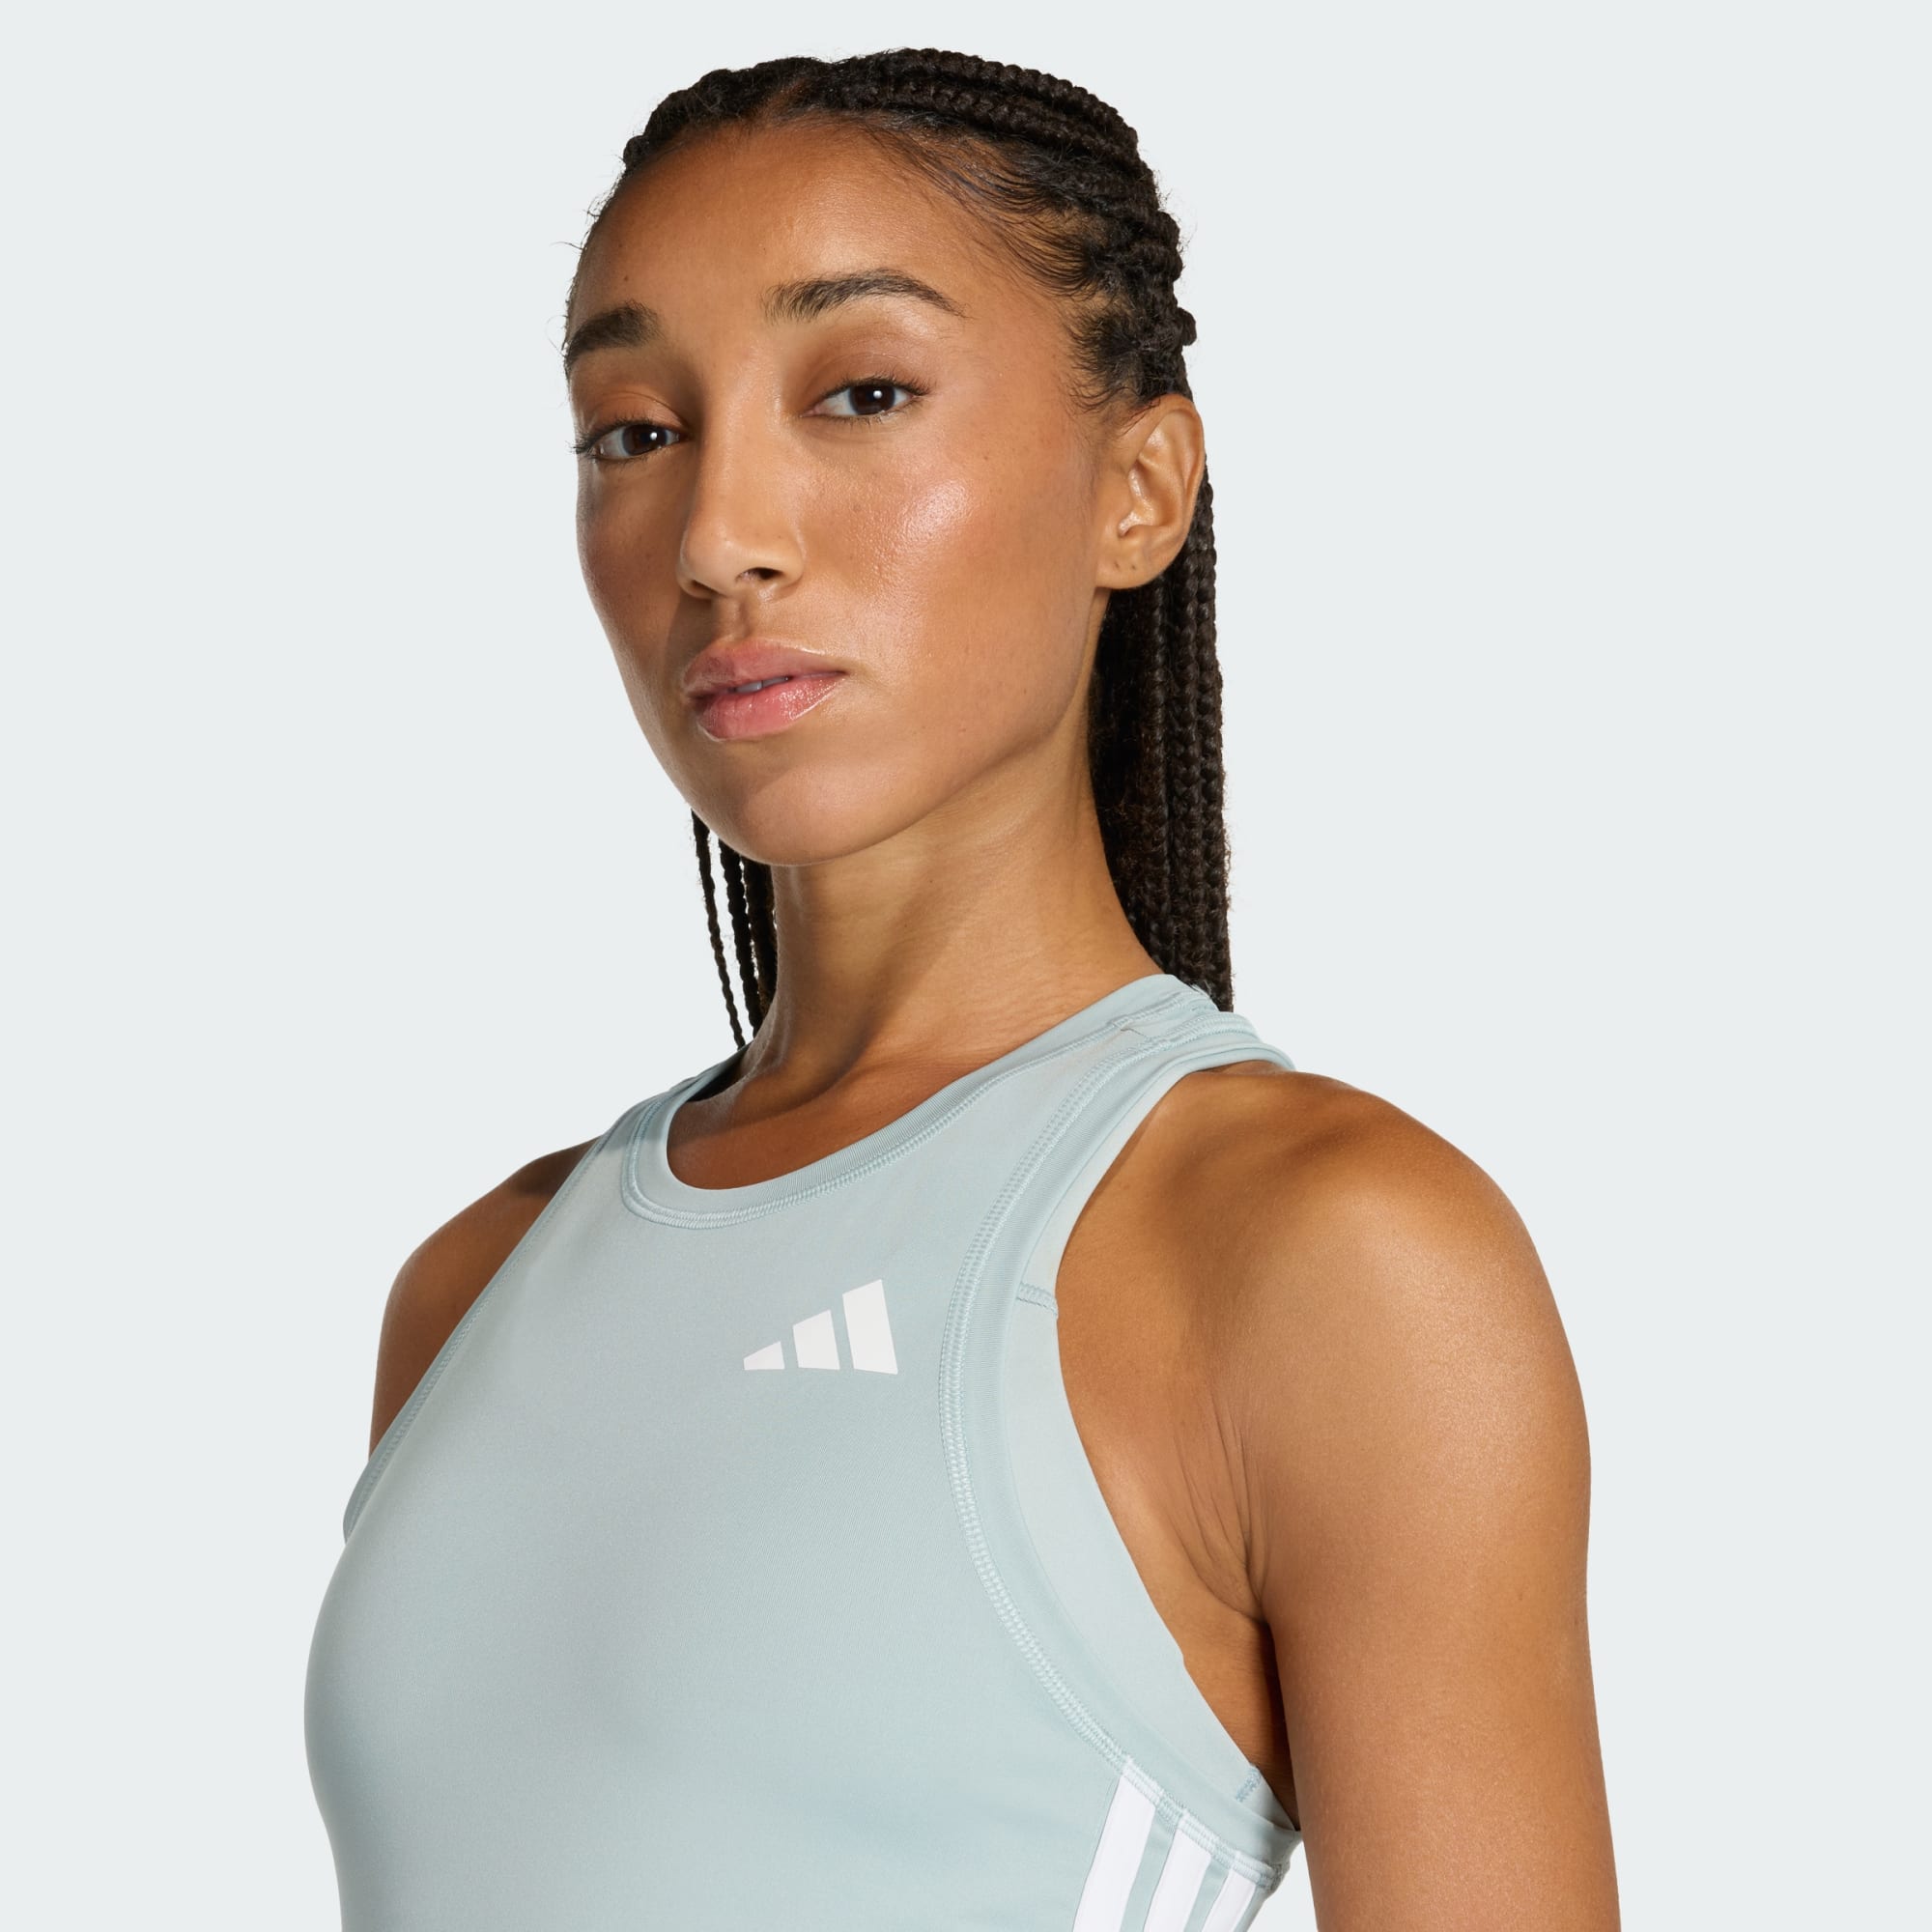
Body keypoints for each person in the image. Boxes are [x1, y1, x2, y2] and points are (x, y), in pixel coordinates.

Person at [304, 47, 1618, 1931]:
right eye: (635, 432)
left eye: (862, 393)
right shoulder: (475, 1286)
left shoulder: (1320, 1256)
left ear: (1138, 491)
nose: (718, 536)